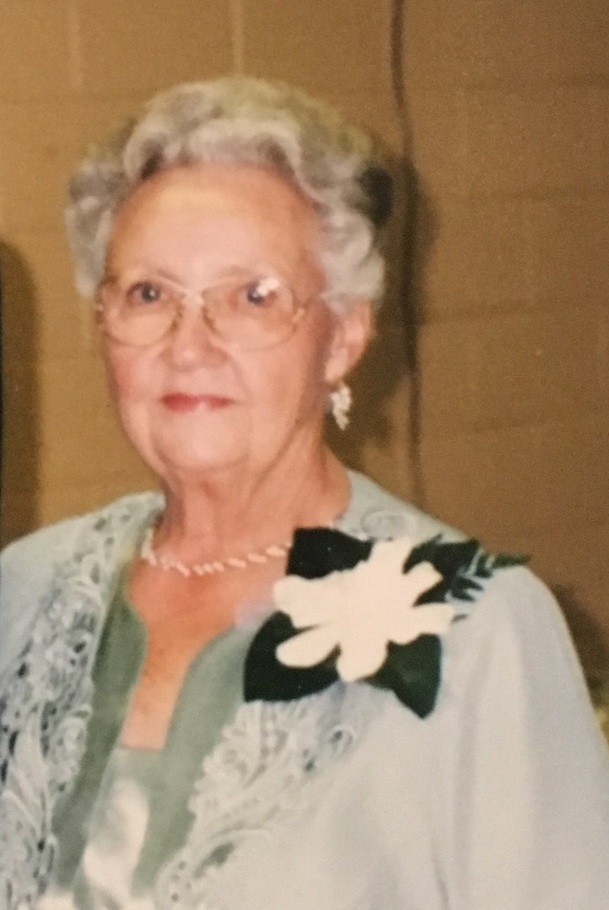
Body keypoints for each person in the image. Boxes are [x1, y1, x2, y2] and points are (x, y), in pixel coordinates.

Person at [1, 76, 608, 910]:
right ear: (103, 323)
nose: (189, 345)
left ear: (343, 338)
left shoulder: (476, 631)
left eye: (252, 297)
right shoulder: (23, 590)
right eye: (148, 294)